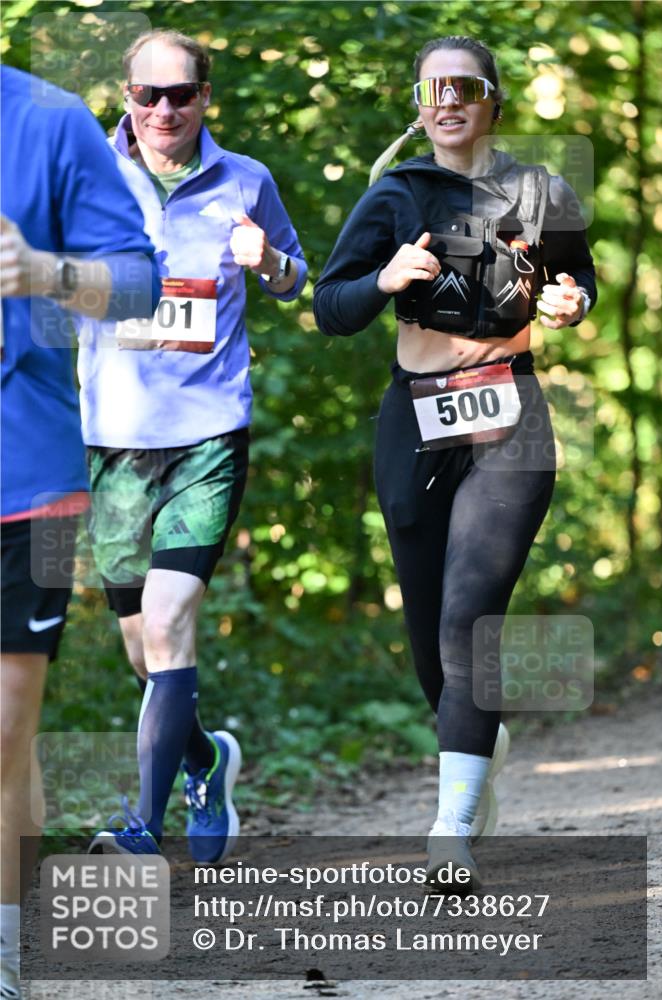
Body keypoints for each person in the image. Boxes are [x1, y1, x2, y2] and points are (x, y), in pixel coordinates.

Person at [313, 36, 596, 890]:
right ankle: (479, 742)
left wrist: (570, 300)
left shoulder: (541, 189)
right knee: (431, 644)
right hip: (415, 417)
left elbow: (577, 280)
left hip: (509, 411)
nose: (446, 100)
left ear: (491, 99)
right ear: (416, 101)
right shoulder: (394, 194)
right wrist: (385, 279)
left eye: (463, 86)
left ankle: (447, 829)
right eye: (432, 87)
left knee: (471, 616)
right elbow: (331, 308)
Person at [79, 30, 307, 861]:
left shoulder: (245, 180)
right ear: (127, 98)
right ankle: (207, 760)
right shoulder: (86, 178)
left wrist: (270, 258)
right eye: (150, 95)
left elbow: (296, 279)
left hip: (208, 435)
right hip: (113, 442)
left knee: (173, 619)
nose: (165, 109)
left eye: (182, 94)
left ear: (206, 96)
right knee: (142, 648)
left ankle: (144, 826)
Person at [0, 66, 160, 1000]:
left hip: (41, 481)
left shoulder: (52, 123)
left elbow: (139, 282)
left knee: (8, 730)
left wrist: (46, 273)